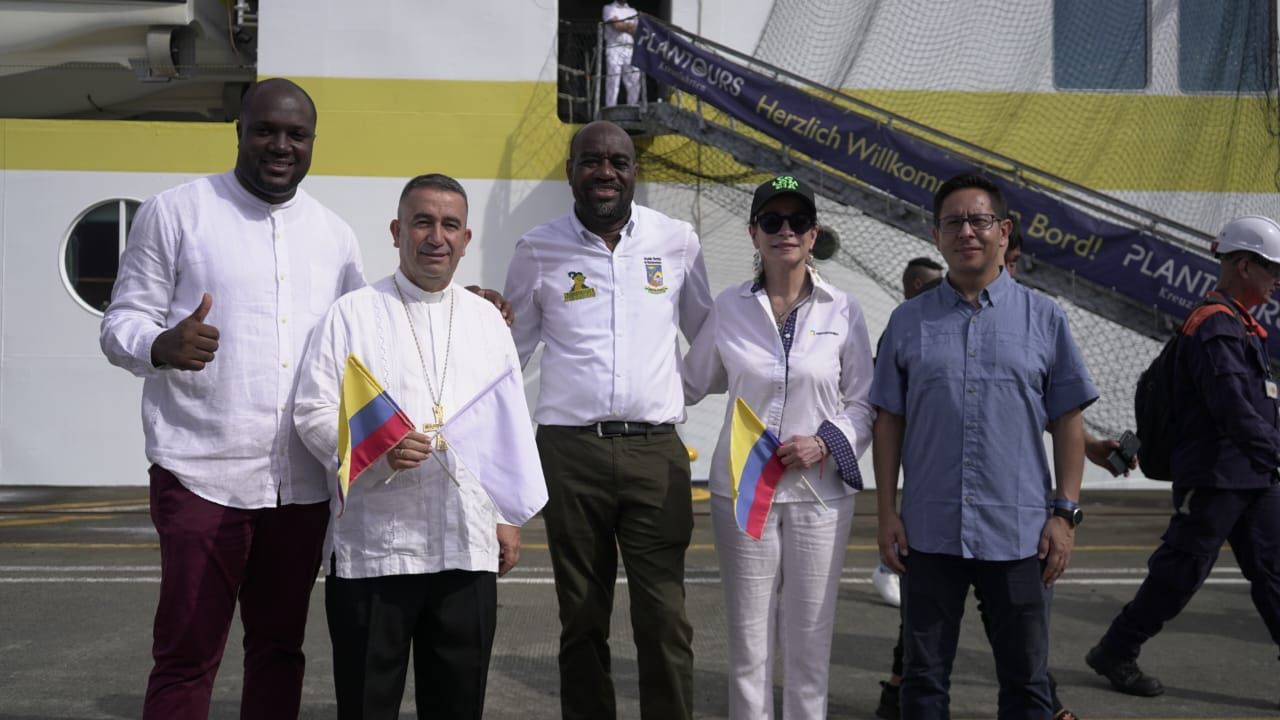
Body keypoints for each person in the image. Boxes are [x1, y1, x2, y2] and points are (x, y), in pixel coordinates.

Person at [99, 78, 365, 719]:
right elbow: (120, 322)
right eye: (265, 130)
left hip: (299, 485)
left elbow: (368, 337)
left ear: (312, 142)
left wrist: (468, 306)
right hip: (201, 474)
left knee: (279, 650)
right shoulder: (177, 212)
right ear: (239, 132)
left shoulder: (335, 236)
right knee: (187, 654)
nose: (280, 145)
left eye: (295, 134)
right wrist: (161, 344)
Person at [292, 174, 533, 719]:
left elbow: (507, 423)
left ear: (466, 239)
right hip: (378, 545)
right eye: (422, 222)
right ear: (397, 231)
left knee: (457, 703)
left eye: (450, 225)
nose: (436, 237)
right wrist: (374, 450)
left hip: (465, 542)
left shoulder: (487, 322)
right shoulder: (351, 313)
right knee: (368, 703)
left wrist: (506, 515)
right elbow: (311, 410)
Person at [503, 119, 713, 720]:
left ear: (634, 171)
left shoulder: (676, 241)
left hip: (656, 454)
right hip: (572, 455)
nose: (605, 173)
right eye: (591, 161)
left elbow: (709, 337)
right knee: (581, 618)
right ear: (570, 171)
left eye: (618, 162)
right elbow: (508, 356)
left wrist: (677, 396)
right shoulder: (538, 249)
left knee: (665, 619)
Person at [871, 173, 1098, 719]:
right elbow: (888, 422)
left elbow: (1067, 420)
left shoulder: (1044, 318)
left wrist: (1064, 514)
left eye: (978, 220)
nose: (966, 231)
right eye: (953, 222)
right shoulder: (907, 322)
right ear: (937, 234)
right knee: (923, 683)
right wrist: (885, 514)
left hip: (1021, 536)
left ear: (1003, 230)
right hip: (930, 533)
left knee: (1026, 683)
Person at [683, 175, 875, 718]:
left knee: (809, 636)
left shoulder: (845, 309)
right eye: (772, 221)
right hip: (743, 491)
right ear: (754, 234)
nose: (784, 231)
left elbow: (864, 403)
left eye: (796, 222)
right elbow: (687, 382)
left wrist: (824, 442)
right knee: (748, 640)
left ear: (814, 236)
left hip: (821, 496)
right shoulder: (728, 307)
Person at [1085, 215, 1280, 698]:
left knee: (1275, 572)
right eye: (1271, 267)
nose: (1278, 278)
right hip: (1214, 477)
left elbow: (1257, 407)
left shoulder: (1241, 325)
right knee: (1180, 574)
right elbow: (1233, 408)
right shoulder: (1214, 326)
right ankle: (1116, 648)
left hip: (1253, 474)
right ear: (1240, 265)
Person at [602, 1, 641, 107]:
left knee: (634, 80)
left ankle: (632, 107)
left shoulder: (632, 11)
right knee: (613, 80)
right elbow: (616, 26)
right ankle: (610, 108)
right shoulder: (609, 8)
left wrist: (623, 24)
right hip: (614, 47)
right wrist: (629, 25)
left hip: (630, 48)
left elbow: (636, 30)